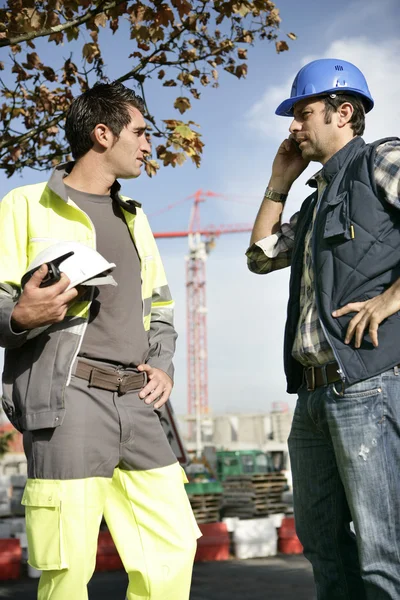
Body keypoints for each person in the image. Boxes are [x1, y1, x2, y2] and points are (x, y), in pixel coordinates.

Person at [0, 82, 200, 600]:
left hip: (138, 402)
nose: (149, 144)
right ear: (102, 133)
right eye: (140, 132)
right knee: (66, 567)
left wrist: (163, 364)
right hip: (69, 403)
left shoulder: (136, 217)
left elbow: (160, 308)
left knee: (173, 548)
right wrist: (21, 314)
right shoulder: (26, 205)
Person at [246, 58, 400, 599]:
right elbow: (260, 258)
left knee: (385, 552)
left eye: (302, 113)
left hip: (369, 383)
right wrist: (277, 184)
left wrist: (389, 299)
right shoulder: (315, 203)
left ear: (343, 112)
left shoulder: (382, 158)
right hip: (313, 398)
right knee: (324, 547)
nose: (292, 126)